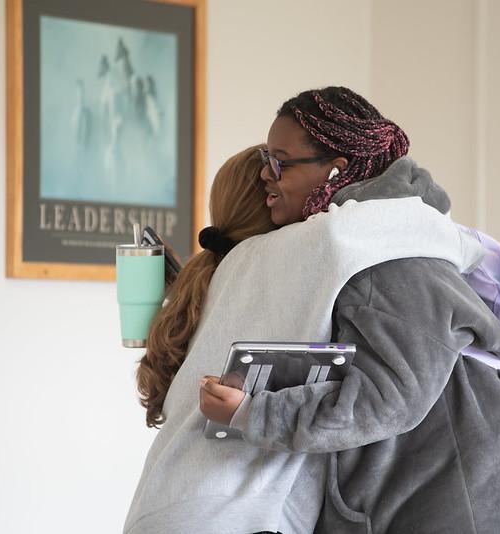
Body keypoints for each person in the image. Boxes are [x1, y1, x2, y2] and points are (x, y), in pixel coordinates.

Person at [199, 86, 500, 534]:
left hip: (480, 489)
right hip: (472, 475)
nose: (265, 177)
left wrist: (252, 413)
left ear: (337, 169)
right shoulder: (381, 231)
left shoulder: (380, 248)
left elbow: (389, 397)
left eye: (279, 162)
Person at [126, 137, 481, 533]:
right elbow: (386, 229)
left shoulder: (215, 279)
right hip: (235, 516)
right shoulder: (282, 254)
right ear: (269, 199)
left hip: (162, 506)